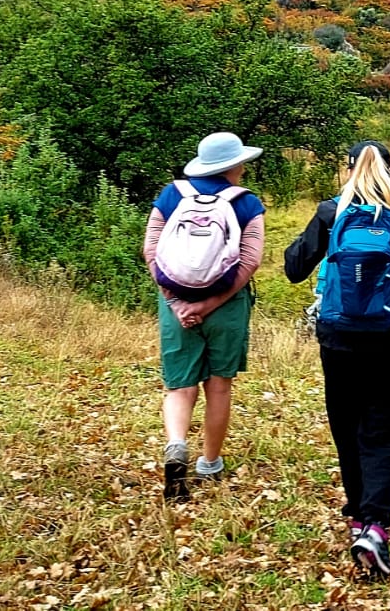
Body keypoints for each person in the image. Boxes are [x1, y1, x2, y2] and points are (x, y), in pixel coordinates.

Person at [284, 141, 390, 578]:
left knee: (347, 425)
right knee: (387, 430)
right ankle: (375, 525)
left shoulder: (331, 210)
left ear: (349, 168)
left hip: (338, 339)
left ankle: (358, 516)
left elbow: (294, 267)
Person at [144, 131, 266, 502]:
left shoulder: (172, 194)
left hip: (175, 304)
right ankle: (209, 463)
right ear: (234, 165)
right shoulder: (247, 203)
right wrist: (210, 305)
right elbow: (250, 260)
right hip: (226, 306)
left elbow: (151, 248)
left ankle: (176, 445)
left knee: (179, 386)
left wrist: (177, 302)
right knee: (219, 385)